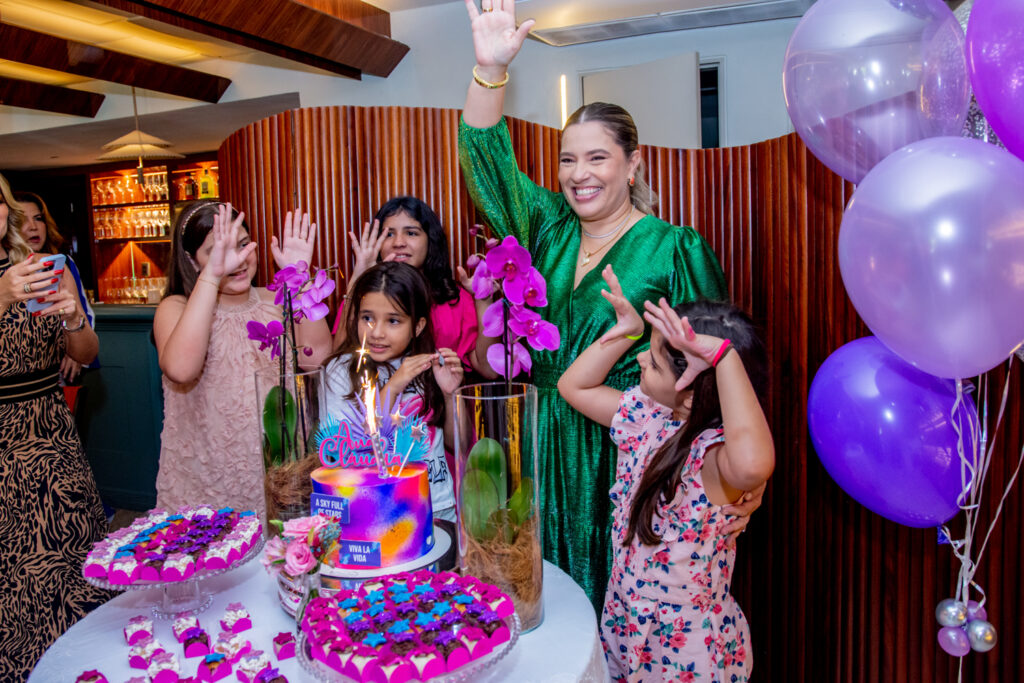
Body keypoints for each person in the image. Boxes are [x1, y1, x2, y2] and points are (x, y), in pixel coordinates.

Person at [459, 0, 760, 608]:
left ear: (632, 163)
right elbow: (487, 163)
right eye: (568, 159)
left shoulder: (674, 248)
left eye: (597, 157)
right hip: (541, 441)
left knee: (622, 606)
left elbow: (718, 364)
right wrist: (488, 71)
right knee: (535, 598)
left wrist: (730, 475)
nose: (578, 173)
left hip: (627, 447)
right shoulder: (545, 228)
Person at [558, 266, 774, 681]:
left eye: (654, 364)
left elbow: (752, 464)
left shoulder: (712, 459)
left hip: (685, 652)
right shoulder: (649, 417)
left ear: (693, 393)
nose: (640, 358)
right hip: (626, 626)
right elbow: (575, 388)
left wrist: (723, 357)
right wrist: (626, 329)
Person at [153, 201, 331, 515]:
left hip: (275, 470)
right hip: (207, 475)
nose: (236, 259)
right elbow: (181, 369)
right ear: (193, 262)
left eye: (242, 244)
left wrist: (298, 276)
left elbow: (317, 357)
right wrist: (213, 275)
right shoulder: (176, 309)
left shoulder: (276, 300)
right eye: (217, 250)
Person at [0, 173, 110, 680]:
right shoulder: (10, 283)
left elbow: (85, 353)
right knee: (16, 572)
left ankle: (90, 663)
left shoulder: (41, 270)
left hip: (51, 433)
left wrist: (70, 319)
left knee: (72, 550)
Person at [323, 261, 464, 522]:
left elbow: (459, 443)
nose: (376, 332)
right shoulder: (339, 370)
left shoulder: (429, 366)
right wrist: (393, 386)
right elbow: (345, 450)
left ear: (418, 326)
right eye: (367, 318)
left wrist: (450, 394)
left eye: (393, 321)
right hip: (373, 508)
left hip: (438, 505)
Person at [335, 196, 496, 378]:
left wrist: (483, 299)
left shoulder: (456, 300)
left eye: (411, 233)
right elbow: (337, 362)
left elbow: (489, 370)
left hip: (444, 401)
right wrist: (358, 280)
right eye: (389, 234)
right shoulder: (365, 297)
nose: (398, 242)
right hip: (378, 403)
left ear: (430, 240)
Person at [15, 191, 97, 384]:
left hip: (57, 375)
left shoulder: (61, 265)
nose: (33, 227)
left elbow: (83, 314)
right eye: (21, 220)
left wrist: (73, 347)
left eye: (38, 219)